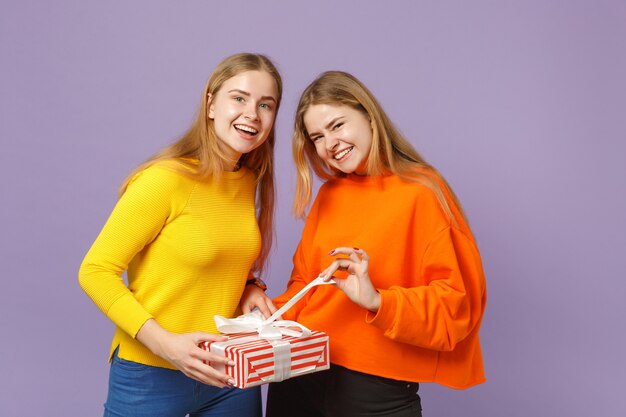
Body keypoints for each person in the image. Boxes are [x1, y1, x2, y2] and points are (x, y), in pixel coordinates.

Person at [266, 71, 487, 417]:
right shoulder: (329, 196)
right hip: (298, 372)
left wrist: (376, 300)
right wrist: (262, 321)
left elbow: (455, 308)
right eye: (317, 137)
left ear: (368, 116)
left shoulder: (422, 192)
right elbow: (305, 285)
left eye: (338, 125)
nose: (330, 144)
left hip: (374, 390)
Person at [78, 53, 281, 417]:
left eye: (265, 104)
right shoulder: (164, 179)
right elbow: (95, 270)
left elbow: (214, 254)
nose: (253, 112)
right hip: (151, 373)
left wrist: (248, 284)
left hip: (229, 371)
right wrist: (166, 344)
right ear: (211, 105)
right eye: (239, 98)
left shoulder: (248, 181)